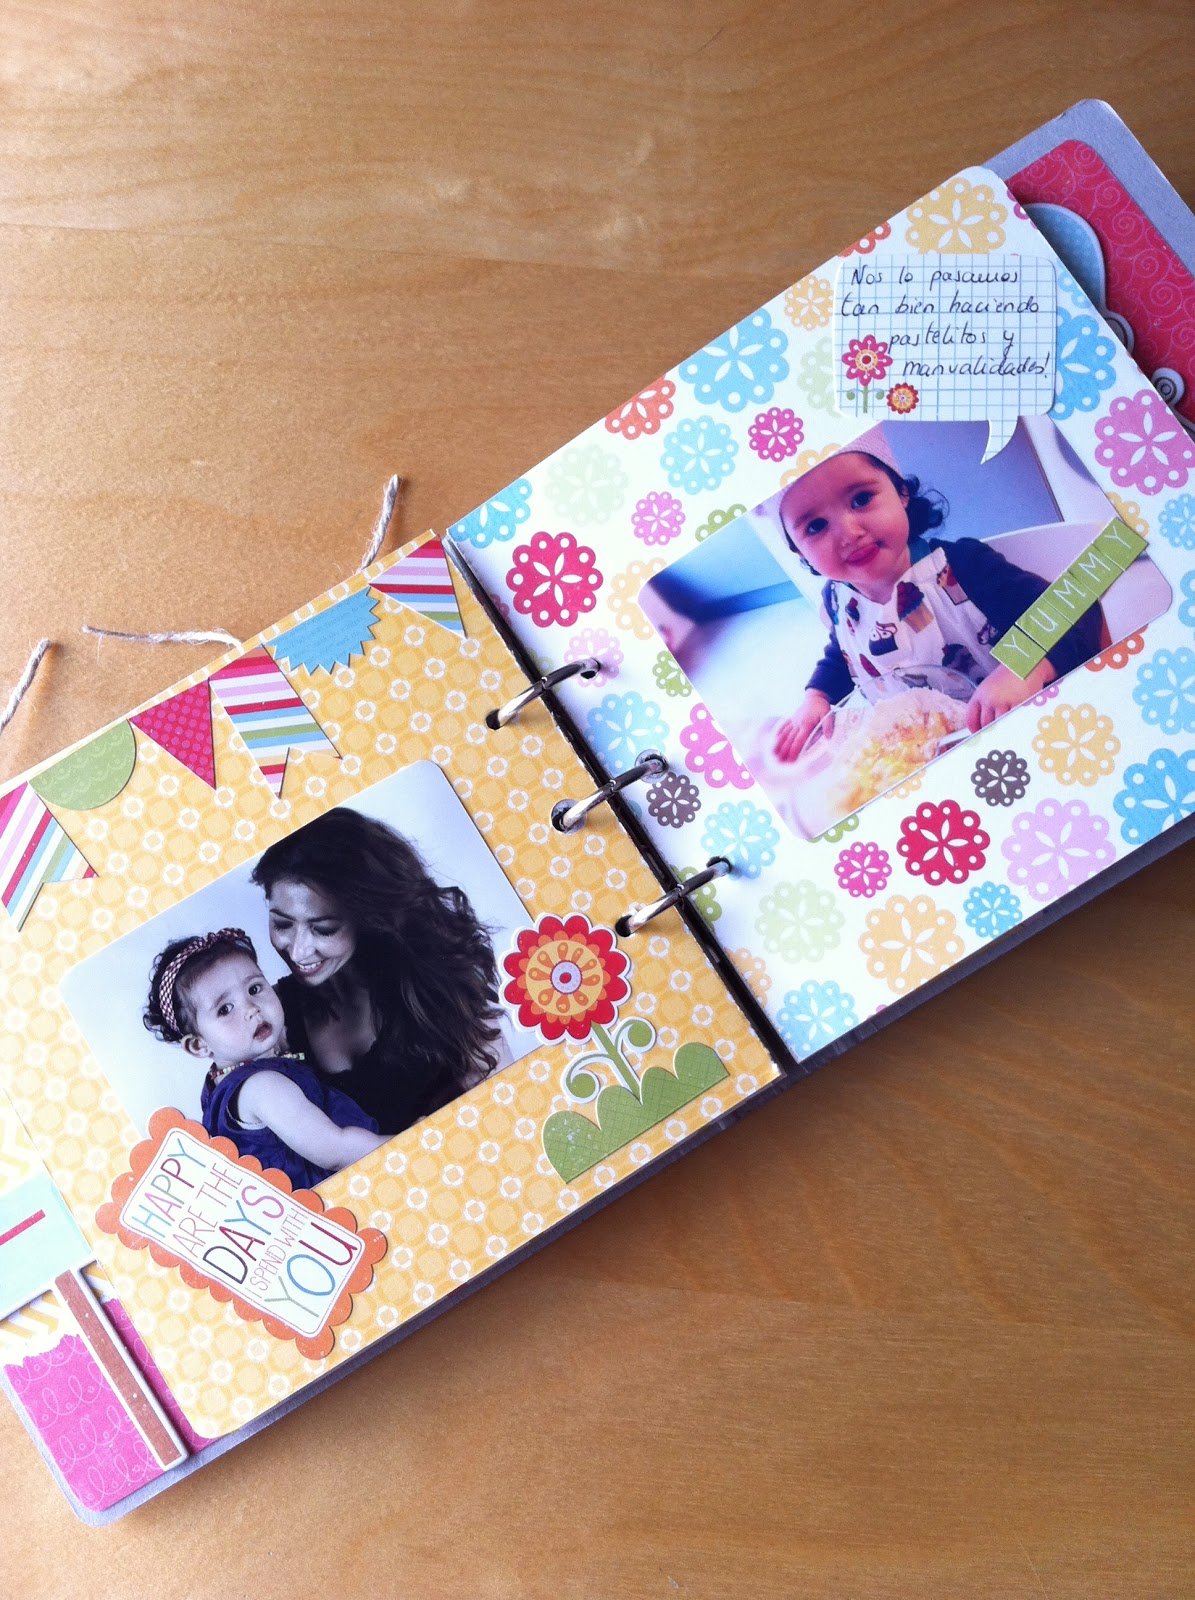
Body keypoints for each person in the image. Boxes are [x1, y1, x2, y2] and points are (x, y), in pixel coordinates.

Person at [772, 450, 1103, 762]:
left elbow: (1071, 609)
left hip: (1024, 731)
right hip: (920, 754)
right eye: (816, 526)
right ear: (799, 552)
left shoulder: (964, 566)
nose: (848, 533)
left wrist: (1022, 669)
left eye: (861, 499)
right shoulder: (837, 601)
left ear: (902, 493)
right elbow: (843, 654)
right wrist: (817, 696)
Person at [251, 808, 505, 1137]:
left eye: (324, 929)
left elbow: (501, 1097)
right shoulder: (267, 1014)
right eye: (282, 924)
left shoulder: (435, 980)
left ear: (366, 917)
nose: (298, 952)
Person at [144, 927, 386, 1191]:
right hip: (345, 1184)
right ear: (199, 1045)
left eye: (255, 988)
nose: (252, 1008)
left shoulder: (226, 1080)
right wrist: (400, 1144)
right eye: (225, 1009)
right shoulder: (262, 1087)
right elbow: (335, 1150)